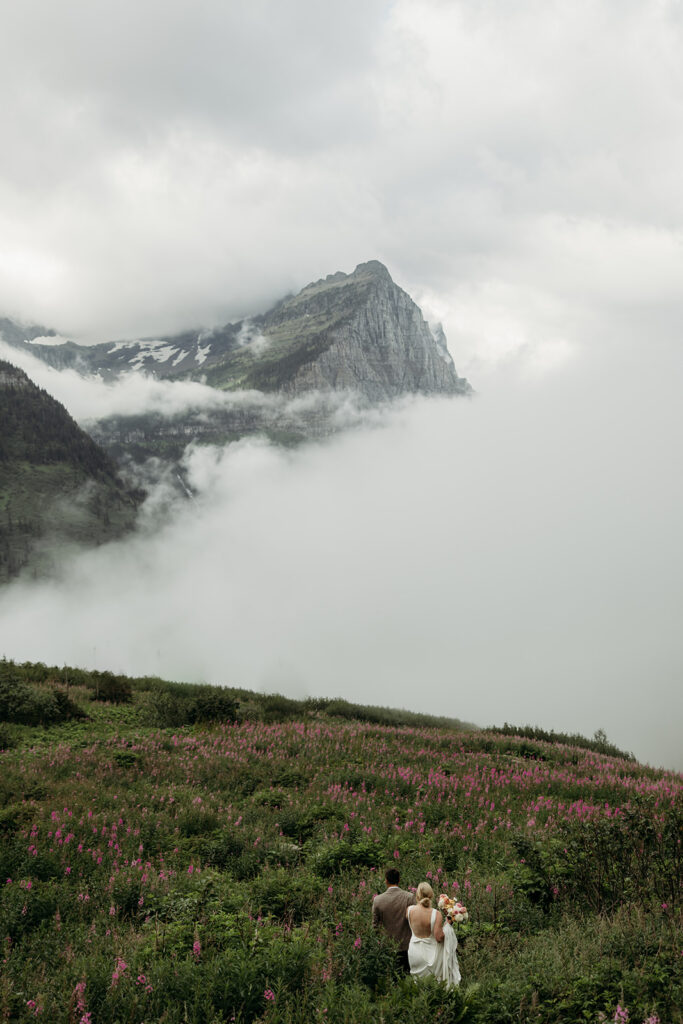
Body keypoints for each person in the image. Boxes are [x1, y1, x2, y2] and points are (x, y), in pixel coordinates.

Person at [406, 881, 461, 987]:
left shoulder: (409, 910)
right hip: (429, 954)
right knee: (432, 984)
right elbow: (439, 937)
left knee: (417, 983)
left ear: (417, 895)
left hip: (413, 951)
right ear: (431, 895)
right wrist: (448, 924)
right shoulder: (436, 914)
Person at [371, 868, 415, 973]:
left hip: (387, 947)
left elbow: (374, 925)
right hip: (407, 946)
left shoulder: (378, 900)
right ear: (399, 880)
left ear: (386, 880)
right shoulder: (409, 897)